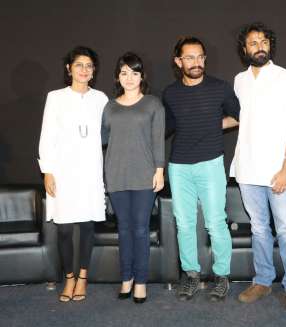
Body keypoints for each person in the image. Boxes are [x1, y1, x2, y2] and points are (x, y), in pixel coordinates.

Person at [231, 22, 286, 311]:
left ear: (270, 45)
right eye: (252, 42)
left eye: (263, 41)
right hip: (247, 167)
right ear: (245, 49)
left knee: (285, 229)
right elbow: (241, 118)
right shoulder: (239, 80)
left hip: (277, 169)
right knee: (259, 229)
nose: (259, 46)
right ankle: (262, 280)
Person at [162, 36, 240, 302]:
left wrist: (212, 125)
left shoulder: (220, 88)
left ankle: (221, 276)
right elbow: (166, 128)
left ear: (205, 59)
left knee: (216, 222)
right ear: (178, 61)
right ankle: (191, 275)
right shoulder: (170, 93)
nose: (196, 63)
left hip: (210, 164)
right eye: (189, 57)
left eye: (200, 57)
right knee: (184, 224)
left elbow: (239, 117)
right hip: (179, 166)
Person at [38, 46, 108, 302]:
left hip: (90, 170)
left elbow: (110, 133)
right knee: (65, 228)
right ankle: (68, 277)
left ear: (94, 71)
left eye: (89, 66)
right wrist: (48, 171)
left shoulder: (100, 98)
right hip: (64, 170)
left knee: (88, 226)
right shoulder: (55, 97)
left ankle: (83, 276)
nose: (84, 70)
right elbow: (47, 135)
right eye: (79, 65)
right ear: (69, 69)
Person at [102, 52, 165, 304]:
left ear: (142, 76)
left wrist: (159, 170)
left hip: (144, 176)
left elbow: (158, 139)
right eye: (124, 73)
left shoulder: (152, 104)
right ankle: (125, 278)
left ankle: (141, 281)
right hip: (116, 175)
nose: (129, 78)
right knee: (123, 230)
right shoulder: (109, 107)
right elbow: (103, 140)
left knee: (140, 230)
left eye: (134, 73)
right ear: (118, 76)